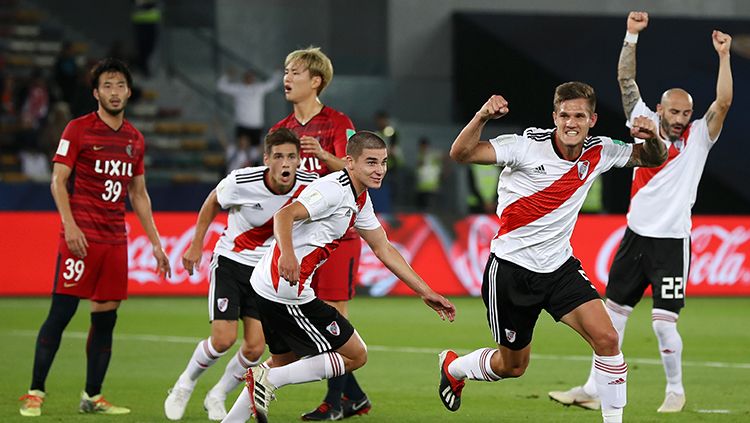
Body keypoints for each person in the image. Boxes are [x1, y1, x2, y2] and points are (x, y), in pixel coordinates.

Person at [438, 82, 667, 423]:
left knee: (607, 338)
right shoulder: (526, 146)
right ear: (554, 117)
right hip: (512, 272)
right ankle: (454, 366)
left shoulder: (600, 150)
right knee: (513, 367)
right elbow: (461, 153)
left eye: (579, 115)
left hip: (560, 268)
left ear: (592, 119)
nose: (570, 123)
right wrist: (483, 115)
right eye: (564, 115)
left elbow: (653, 157)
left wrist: (652, 137)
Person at [548, 13, 733, 414]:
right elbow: (626, 82)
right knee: (611, 318)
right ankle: (594, 388)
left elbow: (724, 102)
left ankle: (675, 390)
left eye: (686, 113)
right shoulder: (643, 121)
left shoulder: (701, 137)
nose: (681, 119)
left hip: (671, 242)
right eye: (675, 112)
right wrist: (631, 34)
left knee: (664, 323)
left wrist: (724, 56)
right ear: (662, 109)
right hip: (634, 237)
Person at [221, 131, 456, 423]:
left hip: (268, 286)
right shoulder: (333, 189)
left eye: (383, 162)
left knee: (281, 362)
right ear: (350, 163)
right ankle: (268, 381)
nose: (379, 169)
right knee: (356, 355)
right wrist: (288, 255)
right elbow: (284, 215)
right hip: (287, 291)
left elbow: (383, 247)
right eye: (371, 162)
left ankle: (234, 417)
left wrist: (425, 291)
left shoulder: (360, 198)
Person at [18, 58, 171, 417]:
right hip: (81, 239)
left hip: (115, 240)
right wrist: (70, 226)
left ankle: (92, 396)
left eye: (120, 86)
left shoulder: (135, 138)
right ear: (96, 93)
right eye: (107, 86)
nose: (114, 92)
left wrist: (155, 241)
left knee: (105, 320)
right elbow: (58, 181)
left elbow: (138, 194)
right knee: (61, 314)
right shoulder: (78, 129)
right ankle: (35, 392)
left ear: (129, 92)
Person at [164, 128, 318, 421]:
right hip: (231, 264)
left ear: (300, 161)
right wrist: (196, 245)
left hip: (264, 275)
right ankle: (185, 383)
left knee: (255, 348)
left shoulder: (311, 185)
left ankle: (218, 394)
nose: (285, 163)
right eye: (278, 156)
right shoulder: (242, 181)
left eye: (292, 157)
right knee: (222, 340)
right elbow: (212, 201)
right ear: (266, 159)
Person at [270, 46, 367, 420]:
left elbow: (356, 171)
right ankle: (353, 396)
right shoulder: (281, 131)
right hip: (300, 237)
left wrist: (324, 157)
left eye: (294, 72)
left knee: (333, 318)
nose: (287, 78)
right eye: (285, 71)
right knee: (305, 320)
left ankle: (335, 404)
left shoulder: (338, 122)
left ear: (316, 81)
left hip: (338, 237)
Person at [217, 68, 283, 165]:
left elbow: (272, 84)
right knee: (239, 154)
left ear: (253, 79)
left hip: (256, 126)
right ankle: (236, 171)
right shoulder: (238, 88)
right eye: (247, 77)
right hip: (242, 125)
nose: (249, 79)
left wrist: (278, 72)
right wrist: (227, 76)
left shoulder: (258, 88)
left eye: (251, 77)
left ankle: (254, 175)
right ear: (243, 78)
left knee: (255, 155)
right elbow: (221, 86)